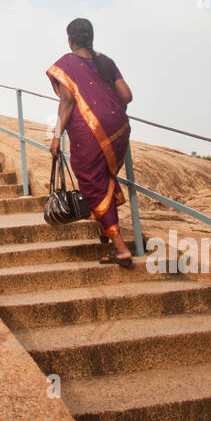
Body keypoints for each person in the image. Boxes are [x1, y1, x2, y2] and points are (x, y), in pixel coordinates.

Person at [46, 17, 134, 267]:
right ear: (91, 37)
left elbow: (67, 103)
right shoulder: (106, 62)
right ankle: (104, 233)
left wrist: (56, 136)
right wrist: (106, 108)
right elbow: (126, 95)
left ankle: (121, 248)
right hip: (118, 129)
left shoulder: (67, 64)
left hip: (89, 133)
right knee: (104, 178)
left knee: (92, 183)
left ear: (70, 39)